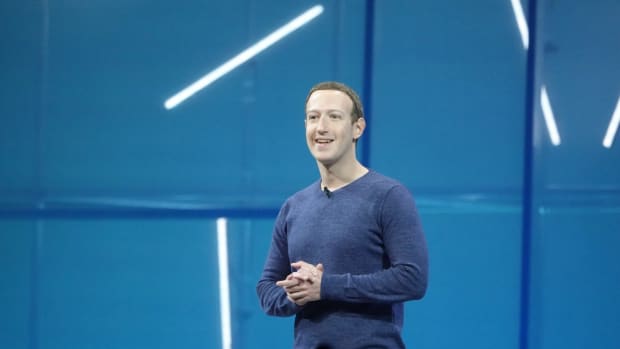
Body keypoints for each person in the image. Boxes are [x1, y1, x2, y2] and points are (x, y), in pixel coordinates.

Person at [256, 81, 429, 348]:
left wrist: (326, 286)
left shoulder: (389, 196)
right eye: (313, 117)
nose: (321, 127)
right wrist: (295, 293)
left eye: (334, 117)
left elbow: (412, 279)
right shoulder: (294, 206)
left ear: (357, 128)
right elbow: (267, 288)